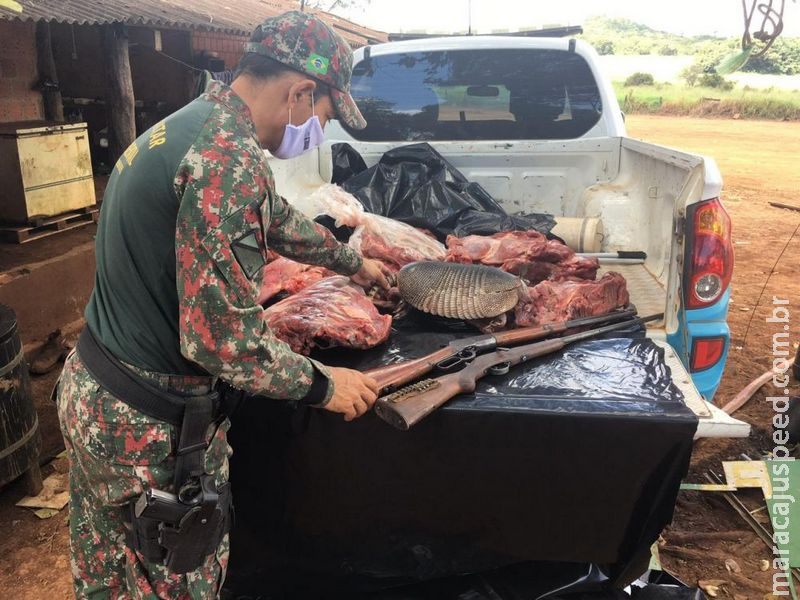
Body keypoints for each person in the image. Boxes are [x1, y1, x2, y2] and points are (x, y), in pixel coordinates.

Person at [56, 11, 389, 599]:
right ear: (301, 92)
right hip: (148, 430)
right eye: (324, 118)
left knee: (110, 579)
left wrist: (350, 261)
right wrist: (323, 384)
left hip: (96, 392)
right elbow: (220, 341)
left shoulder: (197, 126)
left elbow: (271, 216)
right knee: (177, 581)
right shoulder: (225, 162)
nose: (320, 131)